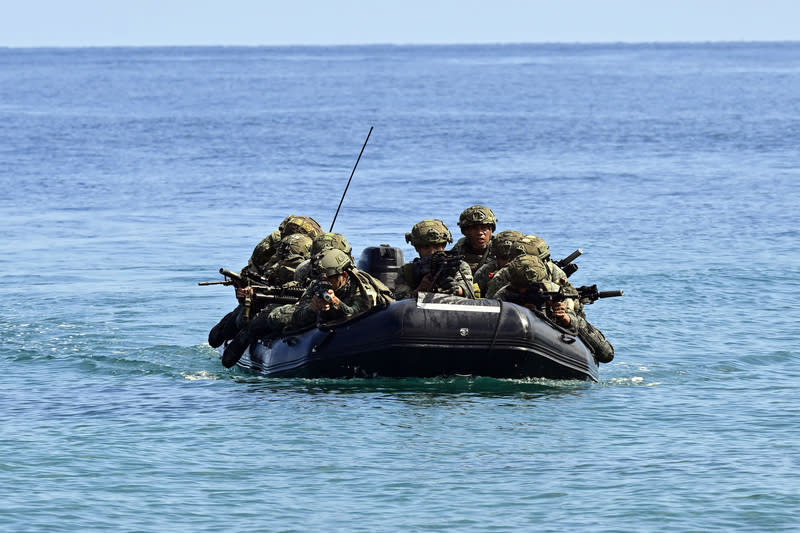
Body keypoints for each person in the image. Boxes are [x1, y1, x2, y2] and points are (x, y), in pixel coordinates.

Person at [221, 248, 395, 367]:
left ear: (343, 275)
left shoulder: (364, 291)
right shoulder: (319, 285)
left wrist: (336, 304)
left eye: (330, 278)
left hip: (362, 332)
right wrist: (312, 309)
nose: (326, 282)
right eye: (322, 278)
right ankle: (244, 337)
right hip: (319, 324)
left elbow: (358, 315)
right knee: (275, 316)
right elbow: (299, 312)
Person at [207, 215, 320, 348]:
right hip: (264, 297)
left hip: (294, 302)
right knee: (223, 333)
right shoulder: (273, 253)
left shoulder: (316, 260)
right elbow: (252, 276)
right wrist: (247, 293)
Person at [494, 255, 614, 363]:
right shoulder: (504, 294)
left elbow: (573, 325)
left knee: (606, 353)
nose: (526, 290)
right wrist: (518, 312)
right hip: (516, 340)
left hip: (556, 336)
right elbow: (495, 322)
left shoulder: (556, 292)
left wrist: (565, 318)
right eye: (521, 286)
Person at [393, 219, 475, 299]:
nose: (432, 252)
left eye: (436, 246)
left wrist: (455, 289)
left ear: (444, 245)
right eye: (426, 247)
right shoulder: (408, 271)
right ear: (417, 248)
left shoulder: (457, 266)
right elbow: (399, 301)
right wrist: (420, 289)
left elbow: (468, 291)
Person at [473, 229, 523, 297]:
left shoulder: (528, 274)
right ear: (496, 256)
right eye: (504, 258)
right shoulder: (485, 272)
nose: (508, 263)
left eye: (513, 258)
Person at [449, 205, 497, 274]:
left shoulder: (500, 250)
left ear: (491, 230)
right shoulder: (456, 253)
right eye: (474, 228)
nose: (480, 233)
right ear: (465, 231)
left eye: (484, 228)